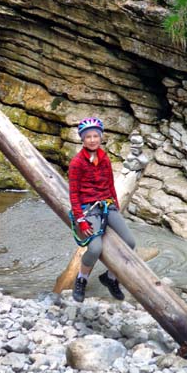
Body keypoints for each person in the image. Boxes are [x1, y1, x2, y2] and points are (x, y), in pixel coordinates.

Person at [69, 117, 136, 303]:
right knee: (95, 247)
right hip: (87, 209)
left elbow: (110, 184)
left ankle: (110, 278)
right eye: (88, 137)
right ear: (82, 139)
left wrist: (114, 204)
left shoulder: (104, 158)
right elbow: (74, 193)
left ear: (100, 137)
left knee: (130, 243)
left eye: (95, 136)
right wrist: (80, 219)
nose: (92, 140)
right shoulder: (76, 163)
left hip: (106, 204)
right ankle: (81, 279)